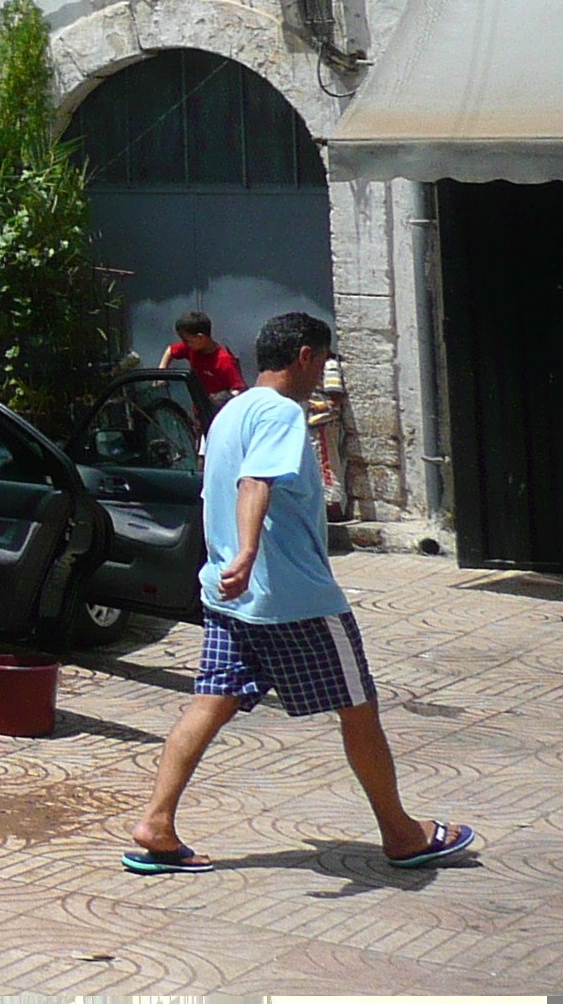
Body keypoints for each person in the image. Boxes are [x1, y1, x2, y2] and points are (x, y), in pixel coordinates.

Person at [125, 311, 475, 876]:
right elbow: (254, 482)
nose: (324, 372)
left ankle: (157, 823)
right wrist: (246, 552)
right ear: (306, 356)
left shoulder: (229, 412)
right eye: (325, 360)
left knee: (210, 702)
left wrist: (232, 565)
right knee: (358, 709)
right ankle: (402, 834)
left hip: (228, 598)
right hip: (291, 599)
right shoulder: (281, 413)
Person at [161, 310, 245, 420]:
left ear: (200, 338)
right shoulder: (192, 349)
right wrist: (162, 370)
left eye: (186, 340)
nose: (184, 344)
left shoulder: (224, 360)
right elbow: (170, 351)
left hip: (220, 416)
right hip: (200, 412)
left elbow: (239, 389)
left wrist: (222, 401)